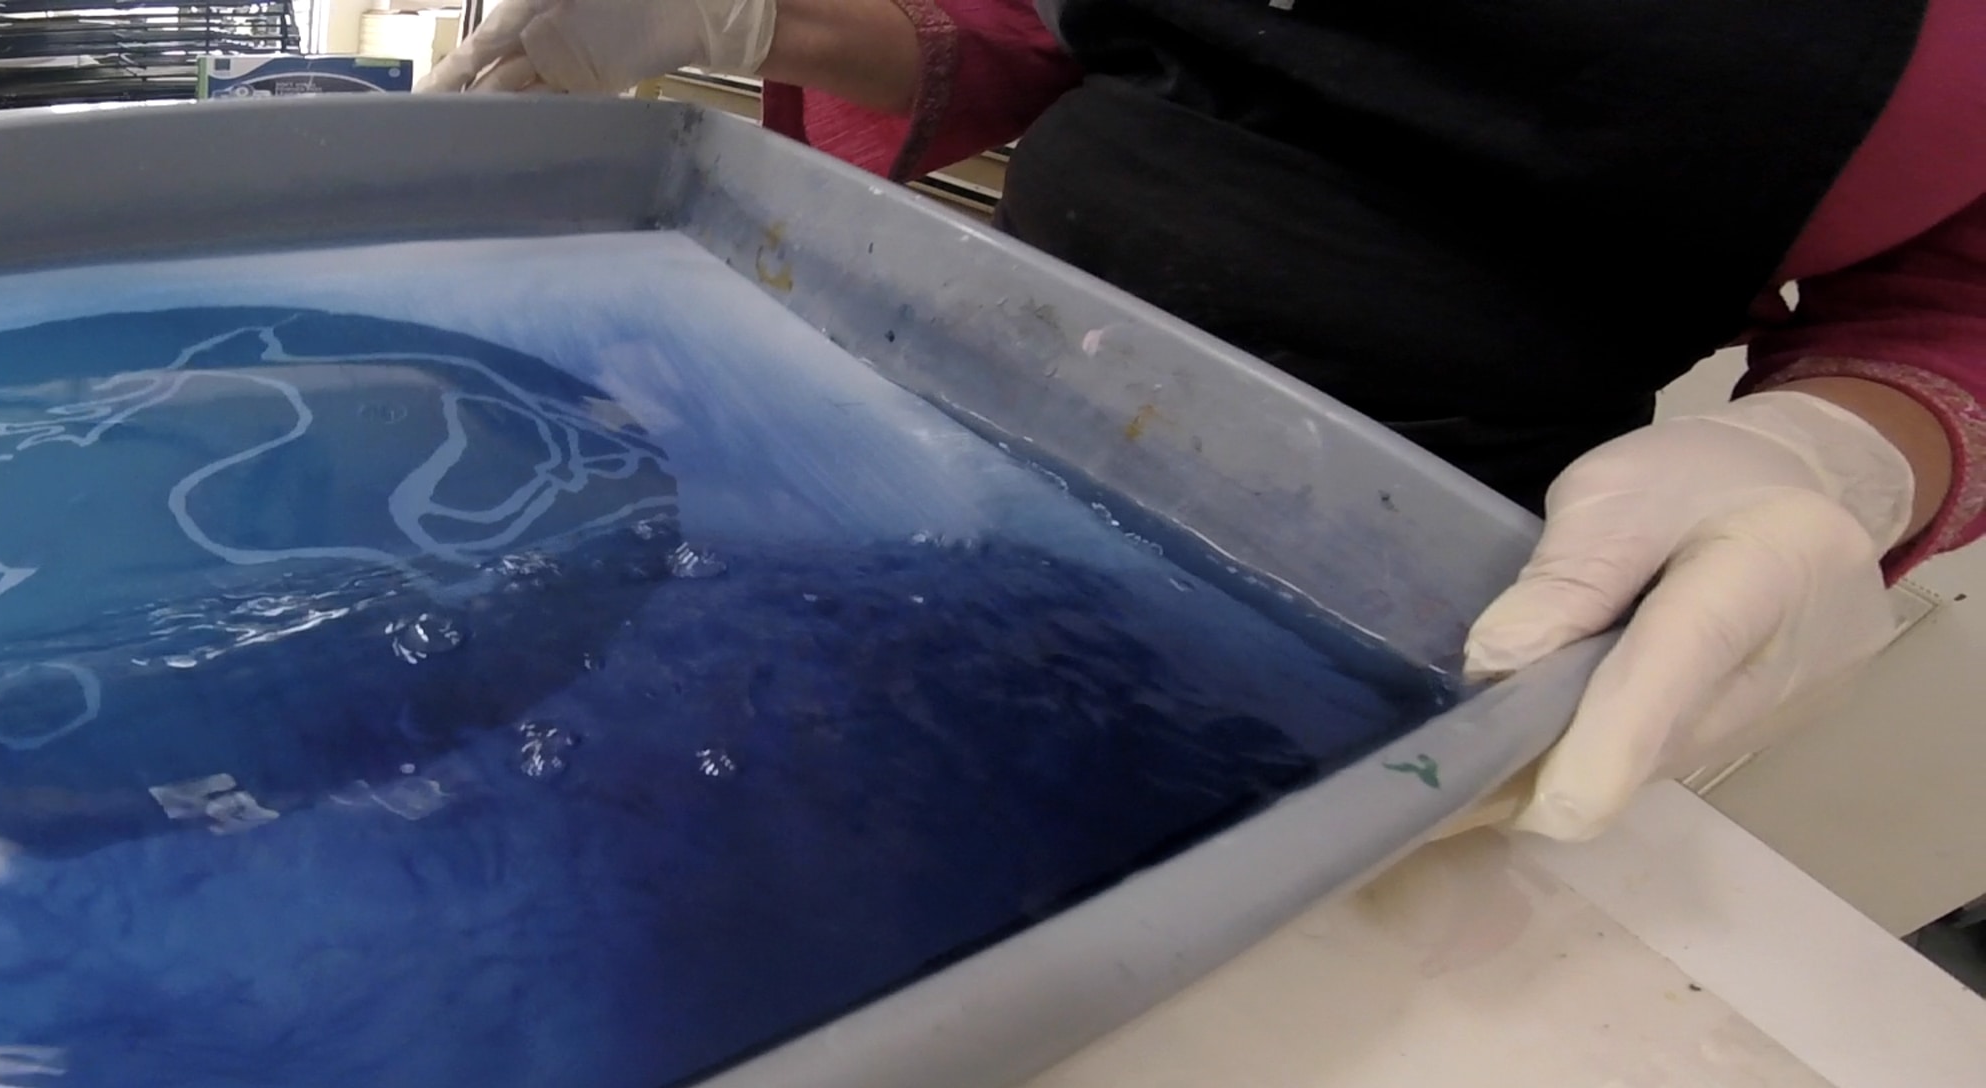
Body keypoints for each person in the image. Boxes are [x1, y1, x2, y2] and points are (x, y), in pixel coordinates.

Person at [422, 0, 1985, 842]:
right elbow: (1065, 31)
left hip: (1395, 591)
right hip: (929, 419)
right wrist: (761, 17)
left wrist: (1831, 457)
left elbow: (1957, 294)